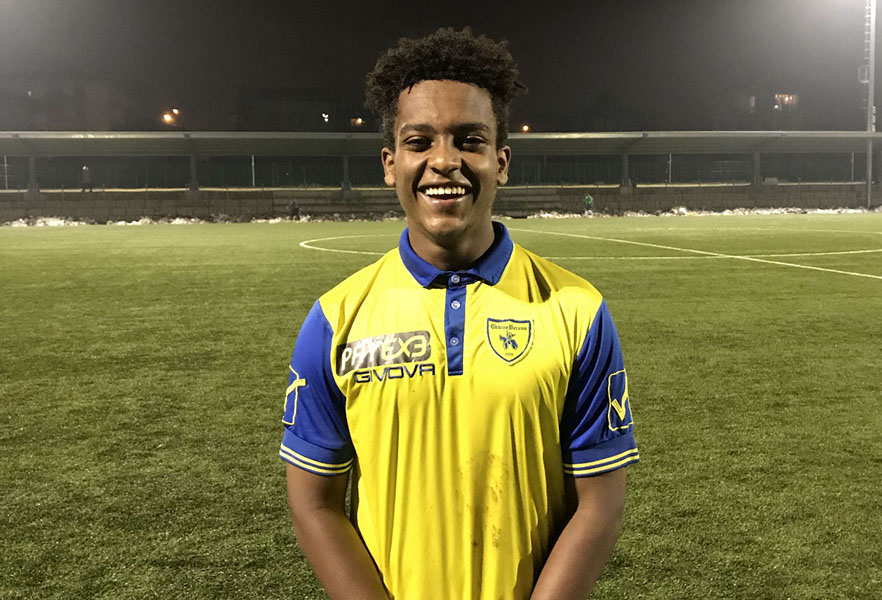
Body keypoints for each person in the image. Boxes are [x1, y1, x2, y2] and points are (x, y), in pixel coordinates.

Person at [280, 27, 639, 600]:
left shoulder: (578, 311)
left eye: (468, 140)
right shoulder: (335, 318)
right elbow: (314, 503)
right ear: (389, 163)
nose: (443, 160)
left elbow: (600, 505)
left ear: (500, 161)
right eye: (419, 141)